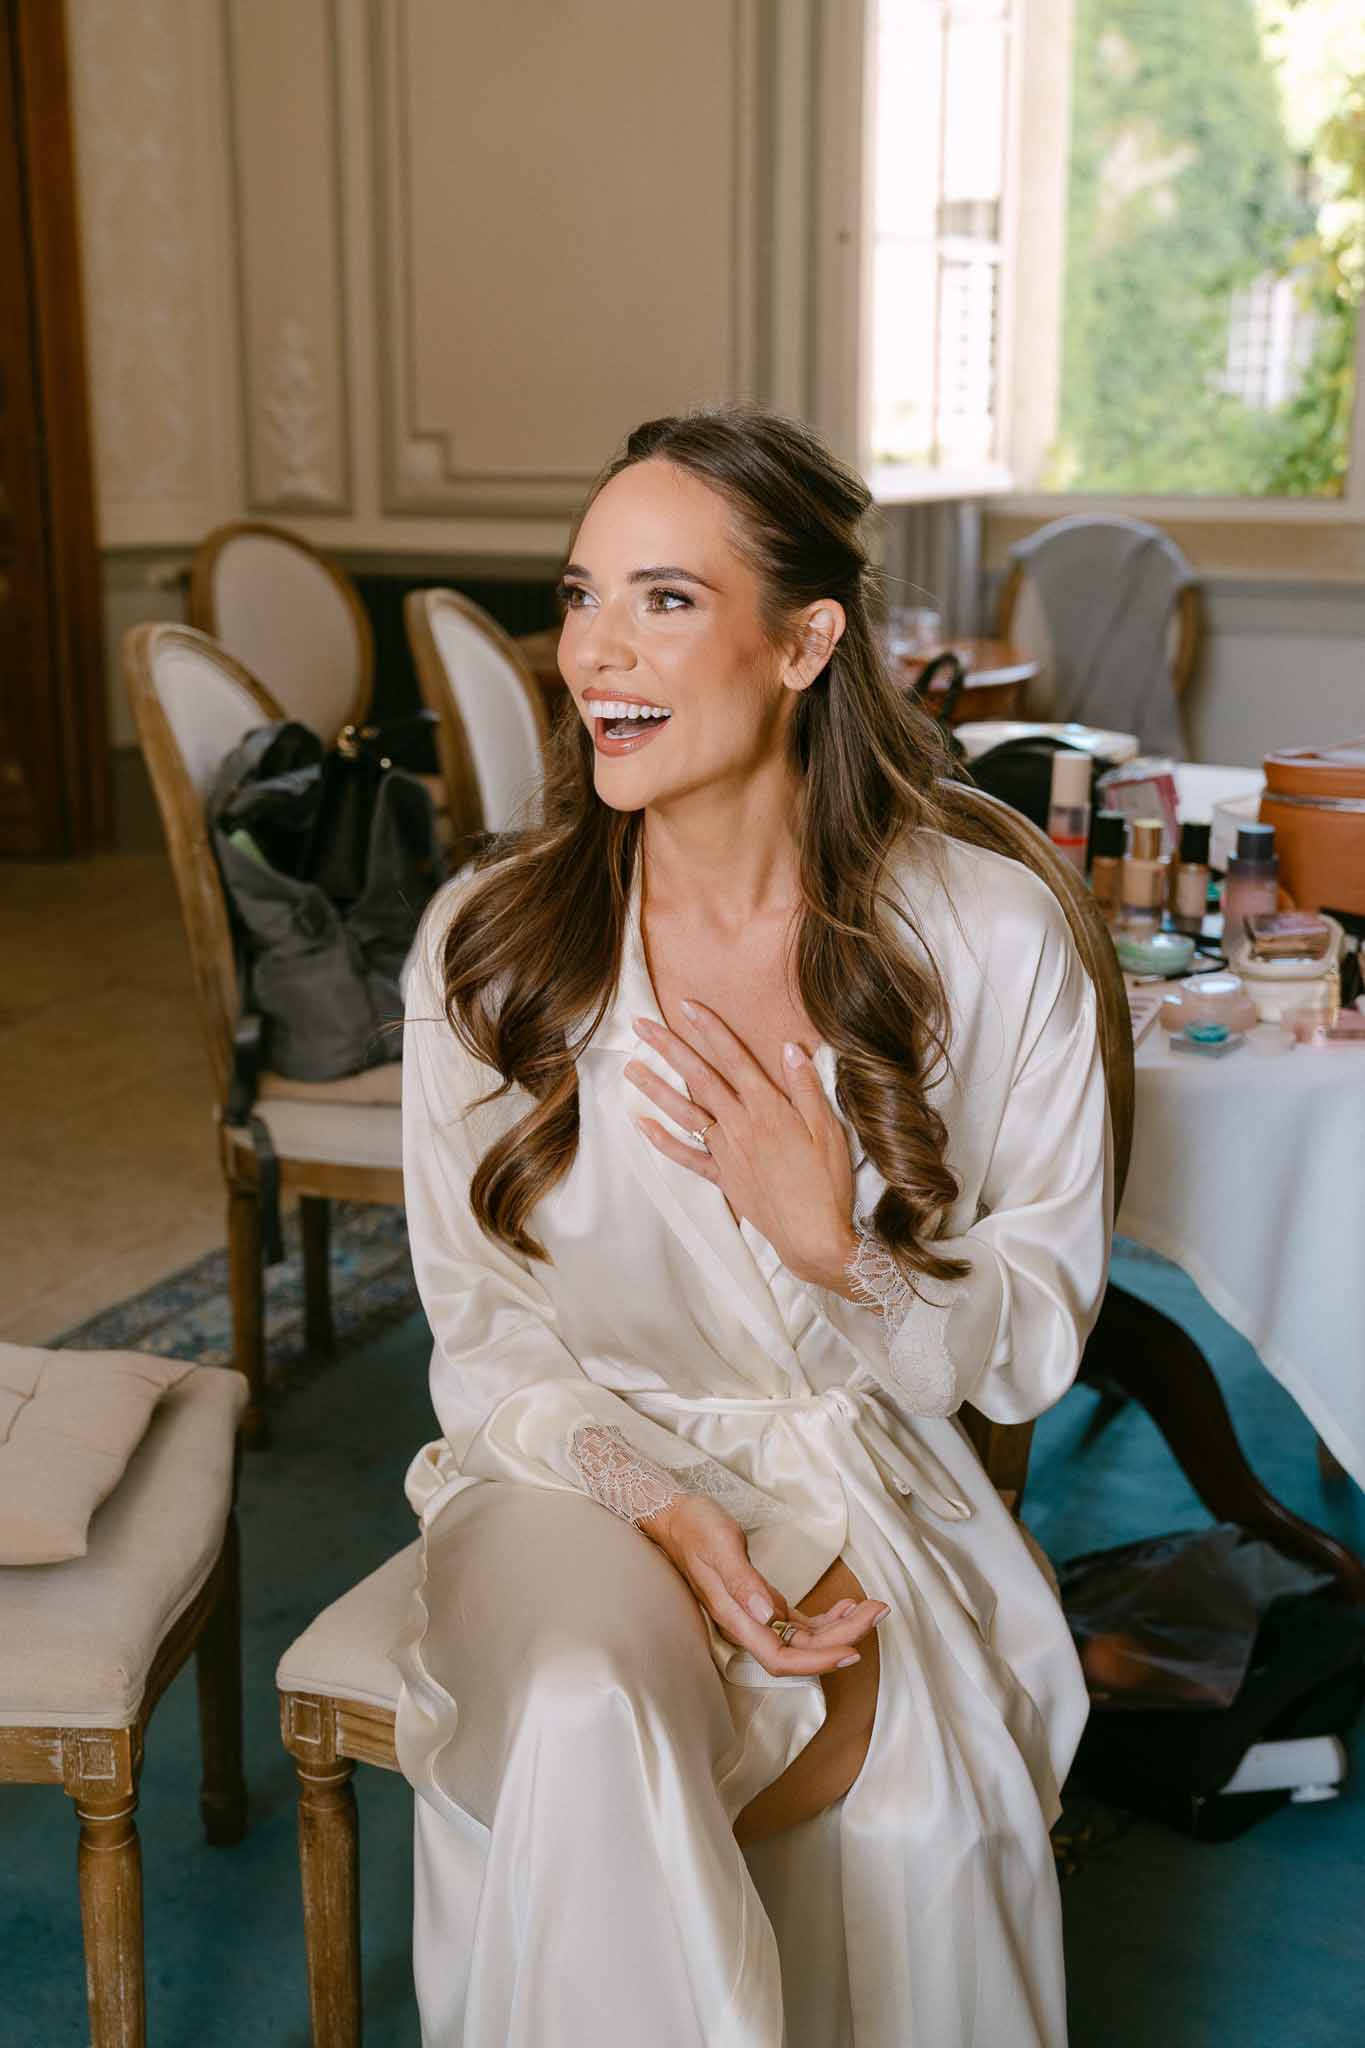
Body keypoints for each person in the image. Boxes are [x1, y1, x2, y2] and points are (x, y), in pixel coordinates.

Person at [396, 404, 1113, 2047]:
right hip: (565, 1472)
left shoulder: (985, 938)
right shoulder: (487, 951)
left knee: (835, 1796)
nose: (593, 652)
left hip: (858, 1470)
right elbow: (485, 1337)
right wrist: (661, 1507)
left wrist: (832, 1249)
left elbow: (1024, 1351)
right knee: (585, 1700)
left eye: (663, 599)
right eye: (580, 595)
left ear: (804, 641)